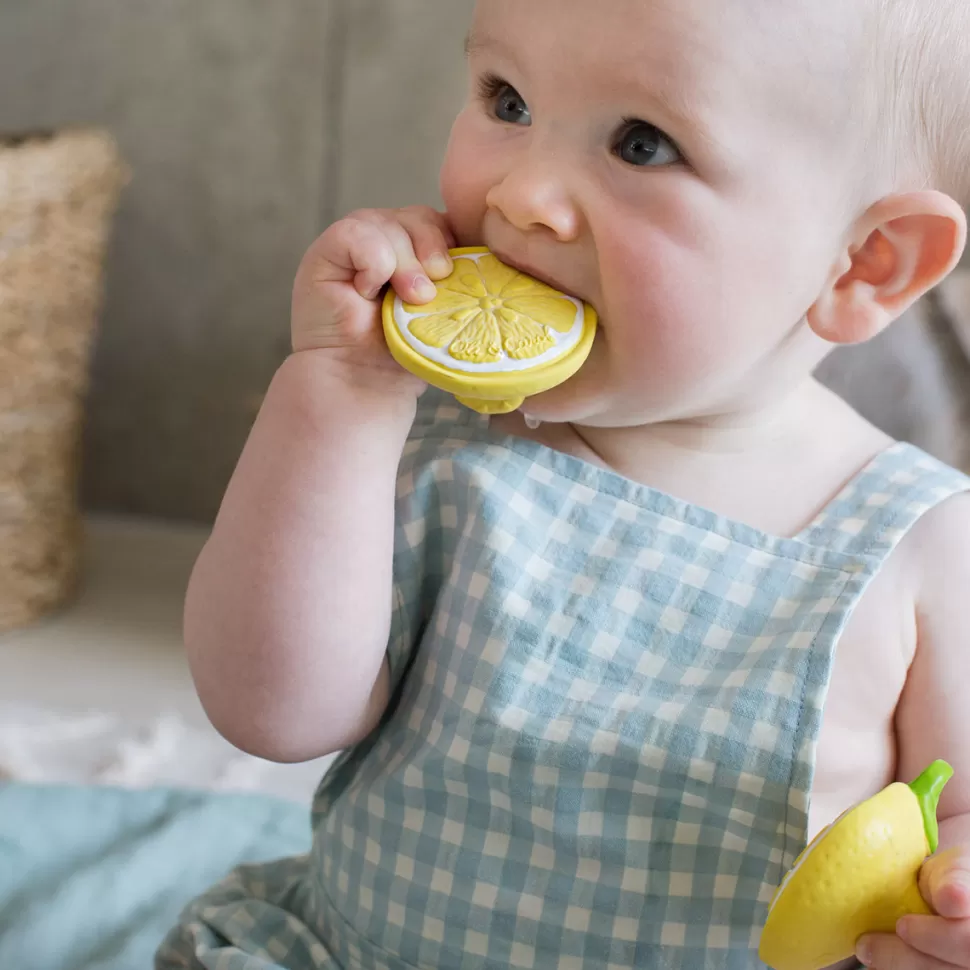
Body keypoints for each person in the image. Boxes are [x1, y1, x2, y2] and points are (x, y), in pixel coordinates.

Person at [156, 0, 970, 967]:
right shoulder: (426, 430)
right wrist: (335, 395)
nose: (522, 193)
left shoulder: (919, 545)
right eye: (508, 99)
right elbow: (270, 716)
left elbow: (956, 814)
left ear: (865, 262)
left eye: (642, 143)